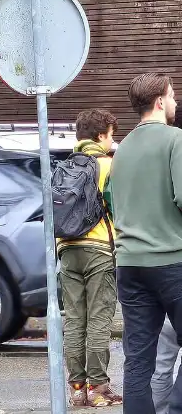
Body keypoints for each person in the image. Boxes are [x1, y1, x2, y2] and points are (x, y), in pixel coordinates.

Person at [108, 72, 182, 413]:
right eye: (172, 96)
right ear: (159, 101)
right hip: (172, 261)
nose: (175, 102)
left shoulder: (120, 150)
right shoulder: (175, 139)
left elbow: (112, 200)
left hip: (130, 265)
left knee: (138, 360)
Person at [58, 109, 122, 407]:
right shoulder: (108, 166)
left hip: (67, 249)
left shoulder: (64, 166)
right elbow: (118, 208)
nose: (113, 139)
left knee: (74, 318)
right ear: (100, 136)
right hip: (98, 250)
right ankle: (98, 386)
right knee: (99, 317)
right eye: (111, 134)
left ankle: (77, 388)